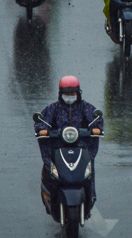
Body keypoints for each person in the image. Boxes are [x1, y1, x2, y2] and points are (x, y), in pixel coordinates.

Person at [35, 76, 103, 213]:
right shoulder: (53, 108)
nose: (70, 97)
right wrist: (42, 129)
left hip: (81, 146)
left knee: (88, 170)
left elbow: (97, 120)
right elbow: (42, 121)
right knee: (50, 170)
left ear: (78, 93)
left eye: (72, 94)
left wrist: (96, 128)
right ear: (61, 94)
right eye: (67, 94)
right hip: (58, 146)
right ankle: (50, 194)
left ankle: (90, 196)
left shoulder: (86, 108)